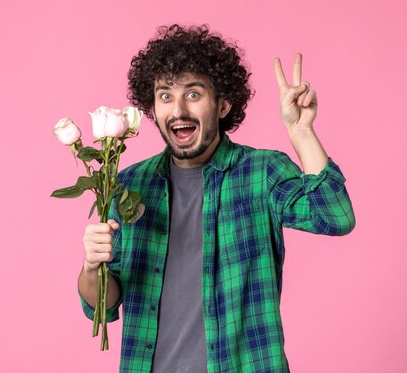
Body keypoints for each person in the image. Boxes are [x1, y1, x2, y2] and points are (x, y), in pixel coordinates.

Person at [77, 24, 355, 373]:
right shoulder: (131, 184)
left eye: (193, 94)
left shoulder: (261, 172)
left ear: (223, 105)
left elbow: (335, 216)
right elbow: (102, 307)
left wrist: (301, 132)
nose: (178, 109)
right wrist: (91, 267)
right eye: (165, 96)